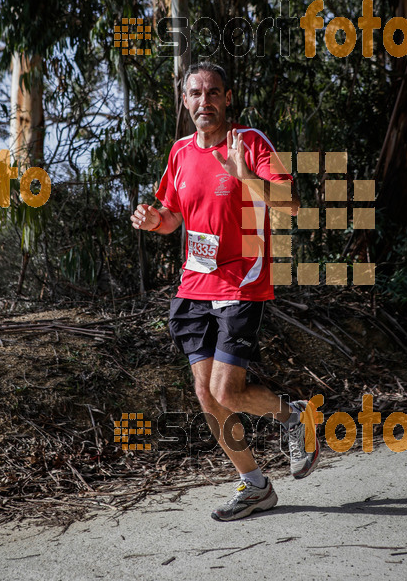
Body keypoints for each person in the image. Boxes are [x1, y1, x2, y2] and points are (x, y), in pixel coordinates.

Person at [131, 61, 320, 521]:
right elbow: (174, 215)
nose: (204, 101)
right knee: (205, 394)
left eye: (213, 92)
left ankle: (295, 416)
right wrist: (157, 222)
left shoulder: (250, 144)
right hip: (194, 284)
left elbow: (291, 204)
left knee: (228, 391)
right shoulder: (179, 152)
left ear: (228, 98)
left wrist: (244, 175)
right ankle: (255, 486)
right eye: (195, 93)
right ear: (184, 101)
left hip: (241, 281)